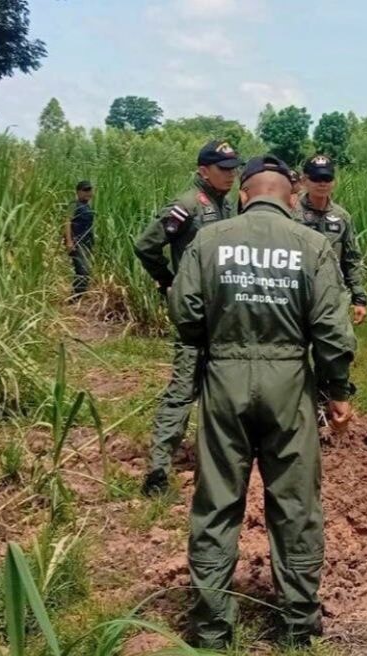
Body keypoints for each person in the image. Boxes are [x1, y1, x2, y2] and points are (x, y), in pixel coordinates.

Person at [168, 155, 356, 649]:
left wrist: (221, 339)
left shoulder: (208, 240)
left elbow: (185, 316)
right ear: (290, 198)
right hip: (289, 379)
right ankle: (298, 626)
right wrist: (337, 391)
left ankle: (212, 629)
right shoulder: (312, 244)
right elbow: (333, 332)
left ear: (246, 195)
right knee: (294, 505)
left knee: (217, 504)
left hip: (224, 378)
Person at [134, 140, 241, 496]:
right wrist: (168, 280)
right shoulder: (187, 205)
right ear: (203, 170)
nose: (231, 175)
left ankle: (219, 457)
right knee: (183, 388)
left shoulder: (226, 205)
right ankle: (159, 468)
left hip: (224, 312)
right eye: (223, 169)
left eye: (233, 169)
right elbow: (146, 244)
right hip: (196, 312)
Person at [297, 154, 367, 324]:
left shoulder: (342, 217)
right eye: (316, 178)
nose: (322, 183)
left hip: (332, 294)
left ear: (333, 182)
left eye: (327, 178)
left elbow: (351, 259)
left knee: (335, 346)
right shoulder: (291, 213)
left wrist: (359, 298)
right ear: (305, 180)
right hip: (298, 292)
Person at [65, 180, 94, 298]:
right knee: (83, 271)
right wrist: (69, 241)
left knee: (84, 271)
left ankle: (77, 297)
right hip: (77, 242)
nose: (88, 193)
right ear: (78, 192)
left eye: (90, 190)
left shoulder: (87, 206)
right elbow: (67, 222)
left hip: (87, 243)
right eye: (85, 190)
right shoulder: (73, 205)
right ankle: (75, 298)